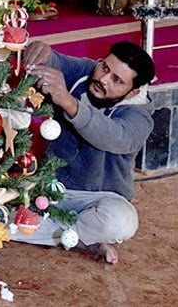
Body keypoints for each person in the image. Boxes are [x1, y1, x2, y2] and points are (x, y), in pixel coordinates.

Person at [15, 39, 156, 264]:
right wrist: (40, 50)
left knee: (122, 222)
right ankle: (79, 239)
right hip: (49, 189)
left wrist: (68, 102)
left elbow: (112, 135)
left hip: (98, 198)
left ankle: (47, 231)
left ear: (133, 92)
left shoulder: (140, 118)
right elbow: (55, 61)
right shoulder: (86, 72)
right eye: (105, 67)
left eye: (117, 80)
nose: (103, 79)